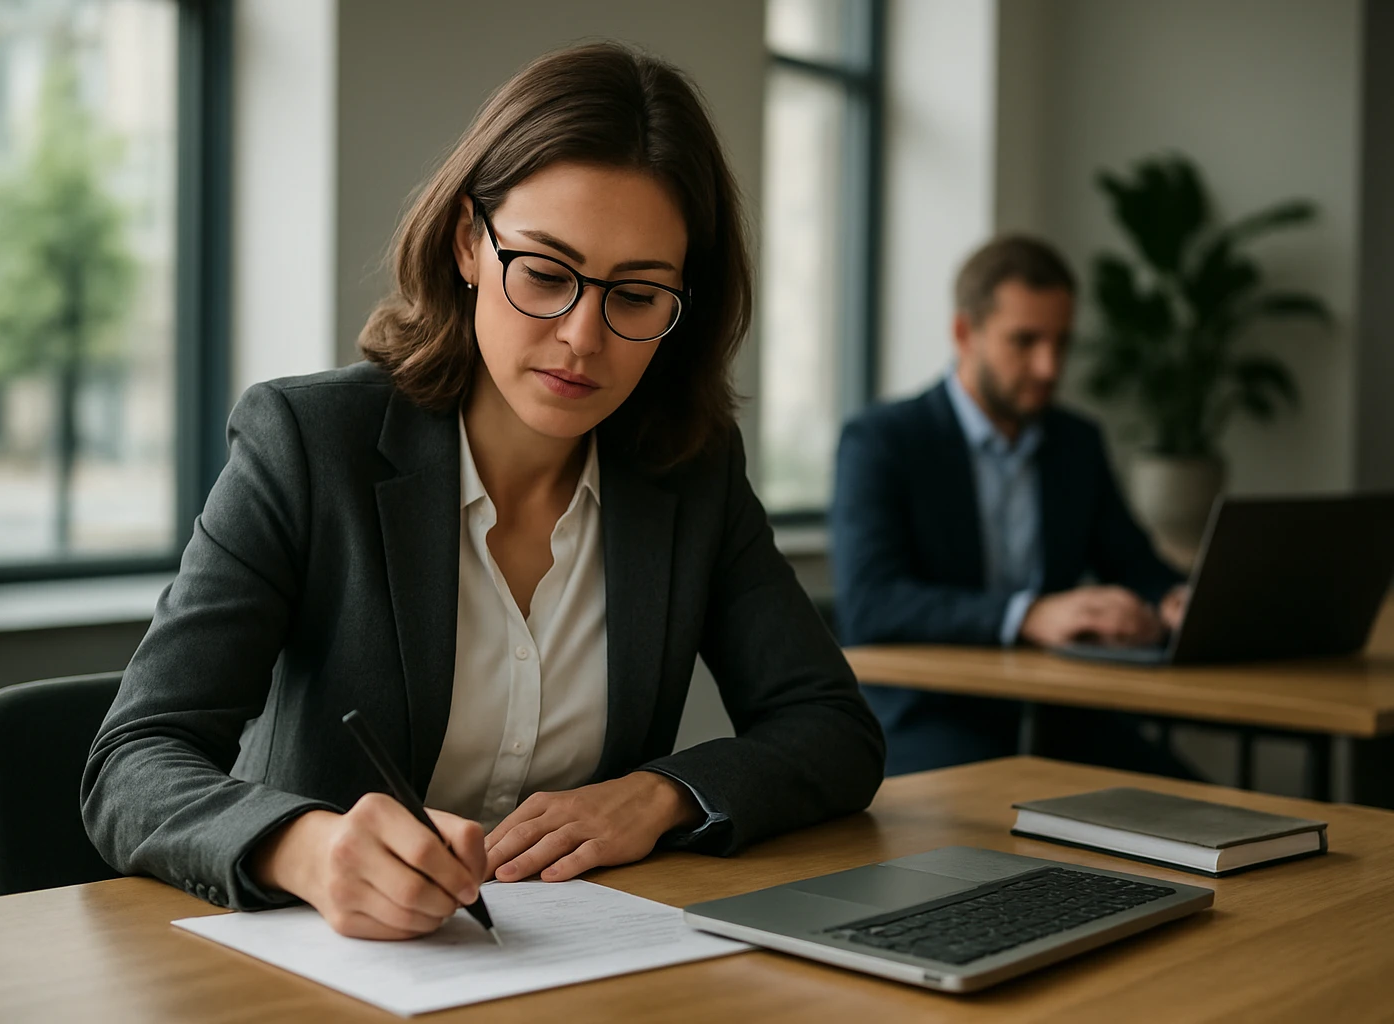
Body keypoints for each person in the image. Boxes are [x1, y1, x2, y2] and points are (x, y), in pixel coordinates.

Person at [83, 43, 884, 940]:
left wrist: (662, 794)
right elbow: (132, 763)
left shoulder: (688, 473)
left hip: (575, 965)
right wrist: (307, 848)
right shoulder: (308, 445)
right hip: (328, 965)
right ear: (470, 242)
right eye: (545, 274)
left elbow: (834, 731)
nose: (584, 336)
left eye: (637, 295)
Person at [830, 235, 1193, 778]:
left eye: (1061, 343)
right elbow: (871, 603)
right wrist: (1028, 615)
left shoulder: (1076, 443)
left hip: (1062, 716)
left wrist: (1173, 598)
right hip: (928, 716)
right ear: (963, 333)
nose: (1049, 367)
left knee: (1204, 810)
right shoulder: (883, 441)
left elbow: (1132, 562)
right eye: (1025, 342)